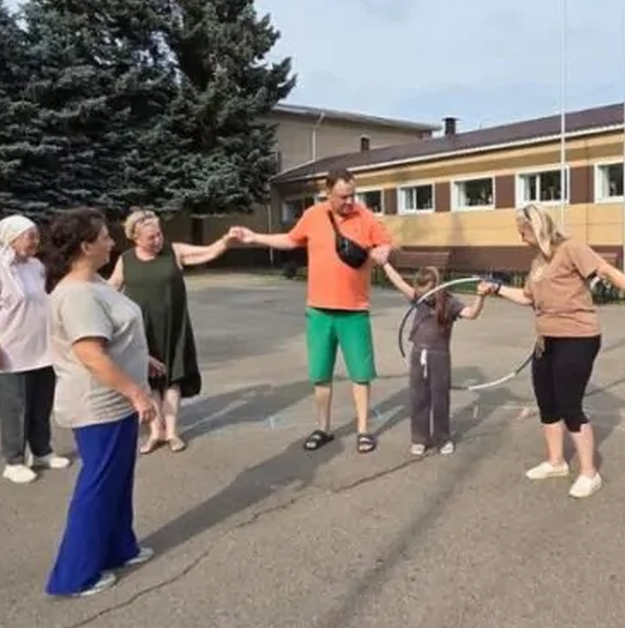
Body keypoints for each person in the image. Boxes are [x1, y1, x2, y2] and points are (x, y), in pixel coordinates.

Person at [477, 203, 625, 499]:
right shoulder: (537, 262)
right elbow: (527, 297)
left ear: (535, 228)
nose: (521, 238)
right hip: (545, 339)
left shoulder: (571, 248)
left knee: (569, 405)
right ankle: (556, 462)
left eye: (522, 232)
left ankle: (589, 473)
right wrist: (495, 289)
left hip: (578, 337)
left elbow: (607, 271)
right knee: (547, 402)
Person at [43, 208, 163, 598]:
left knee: (117, 479)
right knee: (98, 485)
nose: (112, 242)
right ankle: (75, 575)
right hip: (99, 404)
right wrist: (136, 393)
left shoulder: (94, 283)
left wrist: (142, 358)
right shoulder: (77, 295)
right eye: (105, 237)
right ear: (85, 246)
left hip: (115, 400)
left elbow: (113, 334)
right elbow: (91, 355)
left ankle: (119, 547)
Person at [229, 168, 393, 454]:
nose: (349, 201)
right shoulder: (313, 216)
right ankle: (323, 428)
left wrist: (384, 251)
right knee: (321, 374)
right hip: (319, 311)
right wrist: (255, 237)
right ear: (328, 193)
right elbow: (291, 240)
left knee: (360, 374)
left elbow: (385, 242)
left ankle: (363, 431)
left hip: (354, 311)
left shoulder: (365, 217)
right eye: (343, 196)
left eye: (353, 195)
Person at [109, 210, 234, 454]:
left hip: (174, 327)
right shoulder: (125, 260)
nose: (157, 240)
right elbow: (112, 287)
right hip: (142, 330)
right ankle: (156, 433)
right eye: (151, 237)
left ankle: (172, 433)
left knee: (172, 379)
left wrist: (226, 241)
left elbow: (208, 252)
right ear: (135, 237)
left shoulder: (174, 251)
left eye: (159, 235)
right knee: (150, 382)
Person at [0, 215, 70, 484]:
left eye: (36, 235)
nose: (36, 241)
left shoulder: (36, 266)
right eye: (30, 236)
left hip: (43, 350)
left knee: (41, 404)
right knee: (15, 407)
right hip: (10, 353)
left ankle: (42, 451)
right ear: (11, 239)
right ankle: (14, 460)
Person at [381, 261, 489, 456]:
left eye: (428, 291)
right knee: (418, 397)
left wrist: (480, 296)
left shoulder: (450, 302)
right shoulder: (419, 298)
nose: (425, 295)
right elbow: (399, 282)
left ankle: (442, 438)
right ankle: (420, 439)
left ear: (437, 286)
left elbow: (472, 314)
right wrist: (385, 264)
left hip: (439, 356)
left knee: (440, 398)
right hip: (418, 354)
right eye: (421, 291)